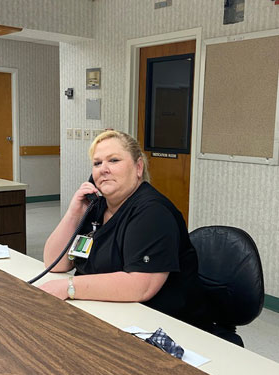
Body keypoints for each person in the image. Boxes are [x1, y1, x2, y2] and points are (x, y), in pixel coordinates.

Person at [39, 130, 210, 329]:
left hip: (160, 327)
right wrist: (74, 213)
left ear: (138, 167)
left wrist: (69, 287)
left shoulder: (153, 213)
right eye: (97, 163)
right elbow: (54, 262)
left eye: (113, 160)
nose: (104, 169)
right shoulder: (96, 206)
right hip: (104, 313)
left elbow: (140, 286)